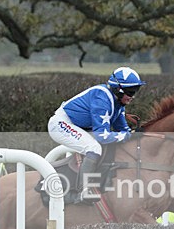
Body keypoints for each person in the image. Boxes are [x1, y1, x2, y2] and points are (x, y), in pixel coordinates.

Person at [48, 66, 145, 204]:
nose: (132, 96)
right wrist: (130, 136)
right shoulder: (102, 98)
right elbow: (103, 136)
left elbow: (125, 132)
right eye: (130, 92)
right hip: (60, 124)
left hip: (77, 126)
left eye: (136, 91)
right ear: (118, 89)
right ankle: (82, 192)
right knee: (94, 148)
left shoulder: (118, 104)